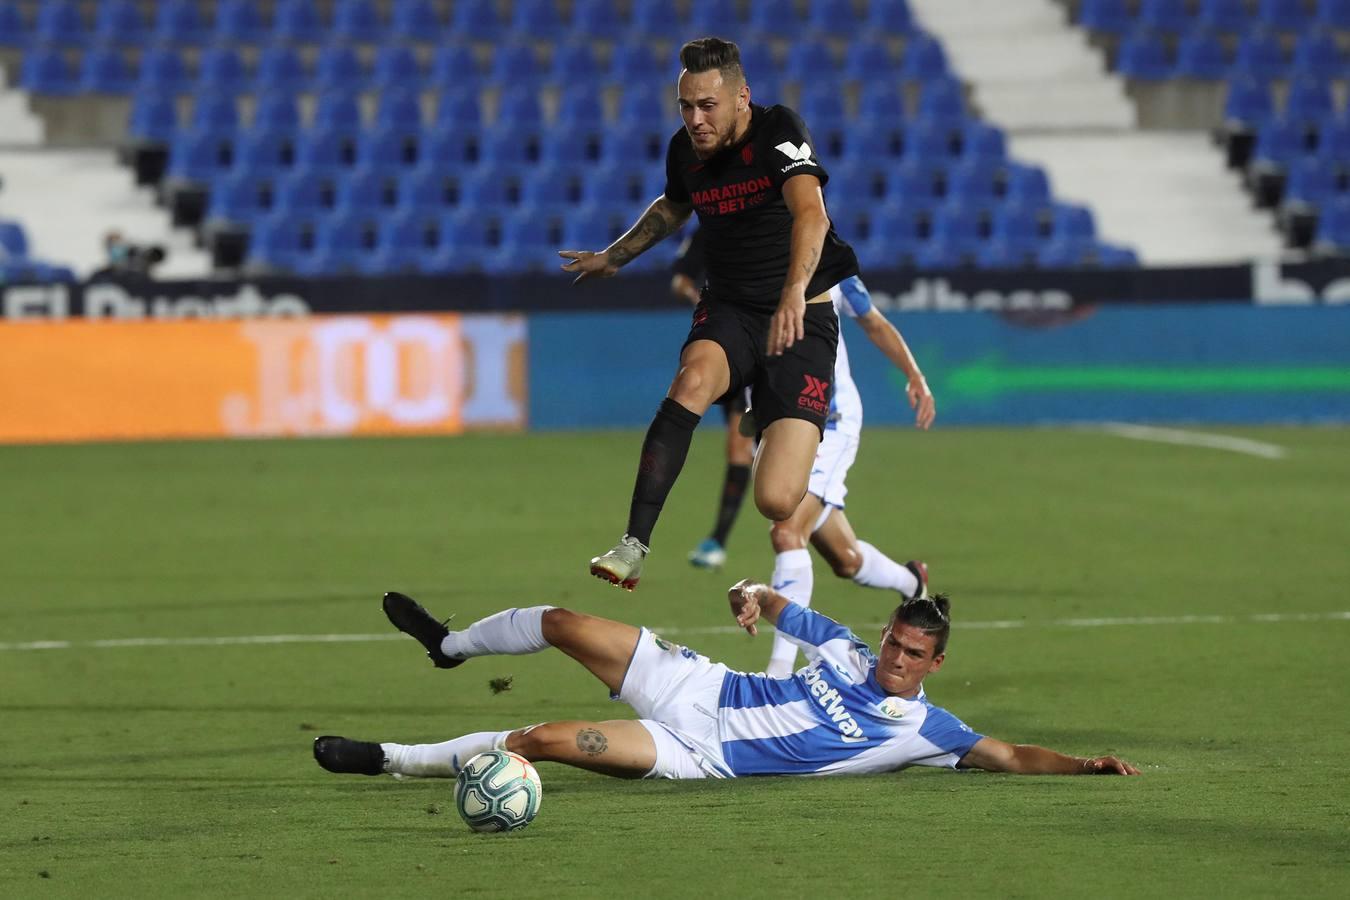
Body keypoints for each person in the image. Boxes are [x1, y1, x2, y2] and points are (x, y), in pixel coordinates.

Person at [559, 37, 860, 590]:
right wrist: (615, 256)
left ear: (741, 96)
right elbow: (674, 206)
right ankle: (633, 544)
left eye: (707, 106)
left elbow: (811, 215)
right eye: (686, 106)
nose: (695, 119)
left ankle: (768, 405)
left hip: (802, 317)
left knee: (774, 500)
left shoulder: (779, 132)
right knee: (691, 381)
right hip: (730, 307)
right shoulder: (685, 151)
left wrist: (795, 290)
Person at [313, 590, 1140, 781]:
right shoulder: (848, 650)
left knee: (540, 743)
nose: (893, 656)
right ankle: (451, 645)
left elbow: (1009, 752)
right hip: (695, 682)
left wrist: (1082, 766)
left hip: (694, 751)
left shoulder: (924, 730)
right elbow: (783, 606)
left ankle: (391, 758)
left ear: (934, 665)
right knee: (564, 620)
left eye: (910, 652)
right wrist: (751, 596)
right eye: (893, 640)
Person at [761, 274, 936, 676]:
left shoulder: (831, 268)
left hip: (830, 420)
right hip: (780, 423)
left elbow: (872, 320)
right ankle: (912, 583)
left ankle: (777, 674)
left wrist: (915, 375)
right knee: (846, 558)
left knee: (787, 532)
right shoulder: (746, 262)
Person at [671, 226, 756, 571]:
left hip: (767, 344)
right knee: (739, 448)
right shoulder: (708, 230)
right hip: (727, 347)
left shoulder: (770, 226)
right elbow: (680, 280)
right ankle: (718, 540)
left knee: (766, 445)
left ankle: (809, 514)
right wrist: (703, 304)